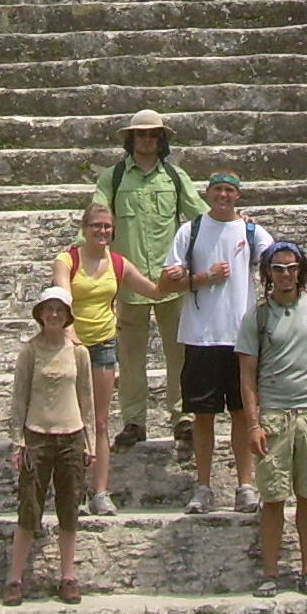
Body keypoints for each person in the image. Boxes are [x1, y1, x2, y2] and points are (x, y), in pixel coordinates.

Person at [235, 241, 307, 597]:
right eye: (279, 268)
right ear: (268, 273)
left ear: (301, 270)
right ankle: (270, 572)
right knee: (272, 496)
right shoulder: (258, 315)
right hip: (274, 413)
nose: (286, 275)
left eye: (292, 267)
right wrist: (253, 424)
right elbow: (247, 374)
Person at [94, 108, 209, 449]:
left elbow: (199, 216)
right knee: (130, 359)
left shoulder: (174, 178)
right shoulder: (113, 178)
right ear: (131, 139)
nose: (147, 140)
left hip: (171, 282)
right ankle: (133, 420)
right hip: (128, 284)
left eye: (153, 135)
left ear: (161, 140)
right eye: (141, 134)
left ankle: (182, 417)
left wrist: (234, 224)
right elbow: (97, 220)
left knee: (180, 355)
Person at [161, 172, 275, 514]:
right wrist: (205, 277)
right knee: (203, 416)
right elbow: (171, 280)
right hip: (200, 336)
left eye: (229, 190)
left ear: (238, 195)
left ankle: (245, 485)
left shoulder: (252, 232)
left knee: (242, 413)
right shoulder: (190, 231)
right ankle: (204, 485)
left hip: (240, 337)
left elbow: (279, 261)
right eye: (217, 190)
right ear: (207, 194)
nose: (223, 196)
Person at [51, 201, 173, 516]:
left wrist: (182, 277)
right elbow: (61, 298)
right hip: (71, 346)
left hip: (103, 345)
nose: (102, 231)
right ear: (84, 228)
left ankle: (101, 491)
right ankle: (72, 491)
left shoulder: (118, 263)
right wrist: (71, 332)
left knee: (101, 421)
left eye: (107, 226)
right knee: (70, 421)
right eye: (96, 226)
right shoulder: (67, 260)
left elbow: (154, 291)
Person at [3, 286, 94, 607]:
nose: (54, 314)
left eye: (60, 309)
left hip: (71, 435)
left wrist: (89, 442)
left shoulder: (78, 352)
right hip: (37, 435)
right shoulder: (30, 352)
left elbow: (86, 399)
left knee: (69, 508)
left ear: (68, 316)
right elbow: (19, 398)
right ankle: (14, 579)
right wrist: (19, 441)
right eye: (48, 309)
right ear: (40, 314)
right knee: (29, 508)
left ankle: (68, 576)